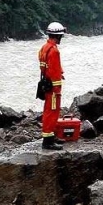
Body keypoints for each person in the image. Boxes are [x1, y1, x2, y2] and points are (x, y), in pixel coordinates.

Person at [38, 22, 67, 150]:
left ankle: (50, 136)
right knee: (52, 112)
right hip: (53, 88)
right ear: (58, 36)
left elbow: (45, 67)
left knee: (48, 110)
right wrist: (57, 88)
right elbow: (54, 71)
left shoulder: (44, 48)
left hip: (46, 83)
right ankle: (48, 140)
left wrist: (60, 73)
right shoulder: (54, 50)